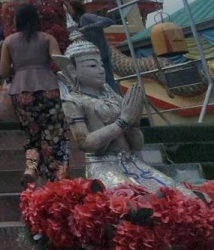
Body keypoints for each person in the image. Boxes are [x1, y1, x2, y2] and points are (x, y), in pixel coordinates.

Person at [59, 32, 175, 189]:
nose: (101, 70)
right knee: (129, 196)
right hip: (104, 166)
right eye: (92, 66)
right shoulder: (73, 101)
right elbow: (86, 143)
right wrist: (123, 122)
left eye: (101, 64)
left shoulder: (115, 98)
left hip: (132, 162)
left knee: (173, 191)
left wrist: (134, 124)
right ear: (73, 71)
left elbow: (137, 146)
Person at [0, 3, 66, 186]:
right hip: (49, 88)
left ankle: (31, 167)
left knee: (32, 134)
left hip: (21, 91)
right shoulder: (47, 38)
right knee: (54, 134)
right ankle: (58, 175)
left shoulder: (9, 41)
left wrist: (20, 69)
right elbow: (59, 63)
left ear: (17, 20)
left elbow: (3, 72)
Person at [69, 0, 116, 90]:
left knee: (108, 83)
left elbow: (108, 21)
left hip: (101, 55)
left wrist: (86, 28)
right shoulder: (76, 23)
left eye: (70, 9)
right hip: (94, 57)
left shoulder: (86, 17)